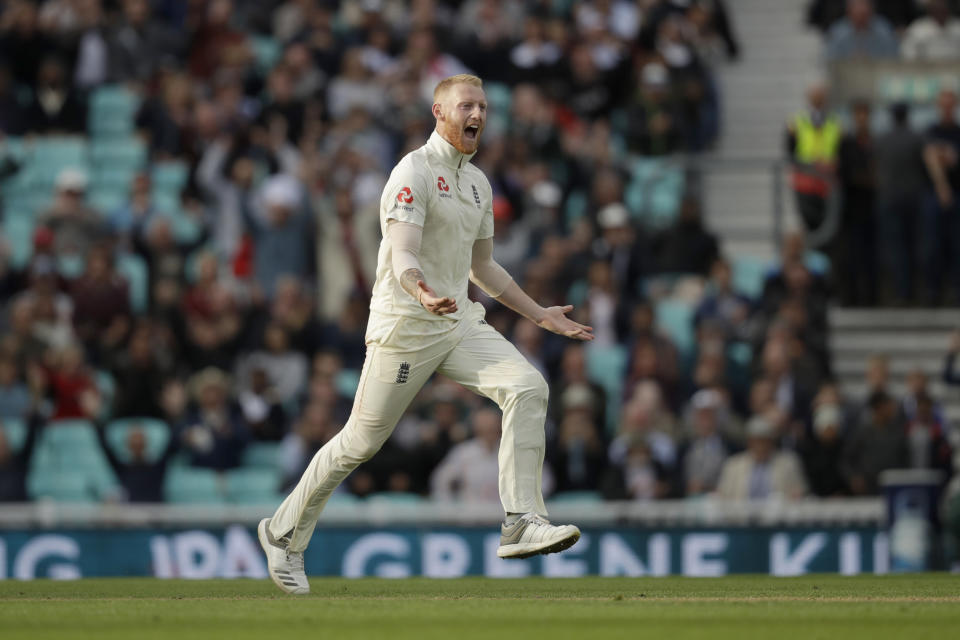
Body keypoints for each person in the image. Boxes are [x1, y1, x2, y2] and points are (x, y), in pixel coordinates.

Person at [257, 74, 593, 595]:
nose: (476, 113)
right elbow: (402, 253)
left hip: (458, 321)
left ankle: (521, 519)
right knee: (359, 443)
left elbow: (483, 268)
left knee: (529, 387)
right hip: (407, 326)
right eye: (466, 105)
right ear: (439, 112)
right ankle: (281, 534)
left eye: (482, 105)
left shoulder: (478, 182)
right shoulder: (412, 170)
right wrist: (420, 292)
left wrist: (539, 315)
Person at [875, 102, 926, 304]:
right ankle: (915, 292)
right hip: (914, 199)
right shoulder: (917, 138)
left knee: (896, 249)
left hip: (889, 199)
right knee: (915, 247)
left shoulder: (882, 140)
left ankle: (901, 293)